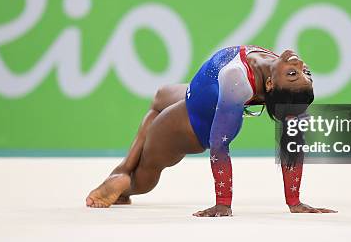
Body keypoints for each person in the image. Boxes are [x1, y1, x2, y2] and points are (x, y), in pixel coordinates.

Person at [86, 45, 337, 216]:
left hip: (193, 123)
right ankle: (121, 169)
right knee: (159, 96)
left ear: (270, 85)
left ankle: (125, 183)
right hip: (195, 93)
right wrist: (293, 202)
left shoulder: (238, 80)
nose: (300, 64)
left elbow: (219, 145)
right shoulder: (274, 69)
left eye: (294, 74)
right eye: (306, 73)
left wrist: (223, 203)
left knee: (146, 172)